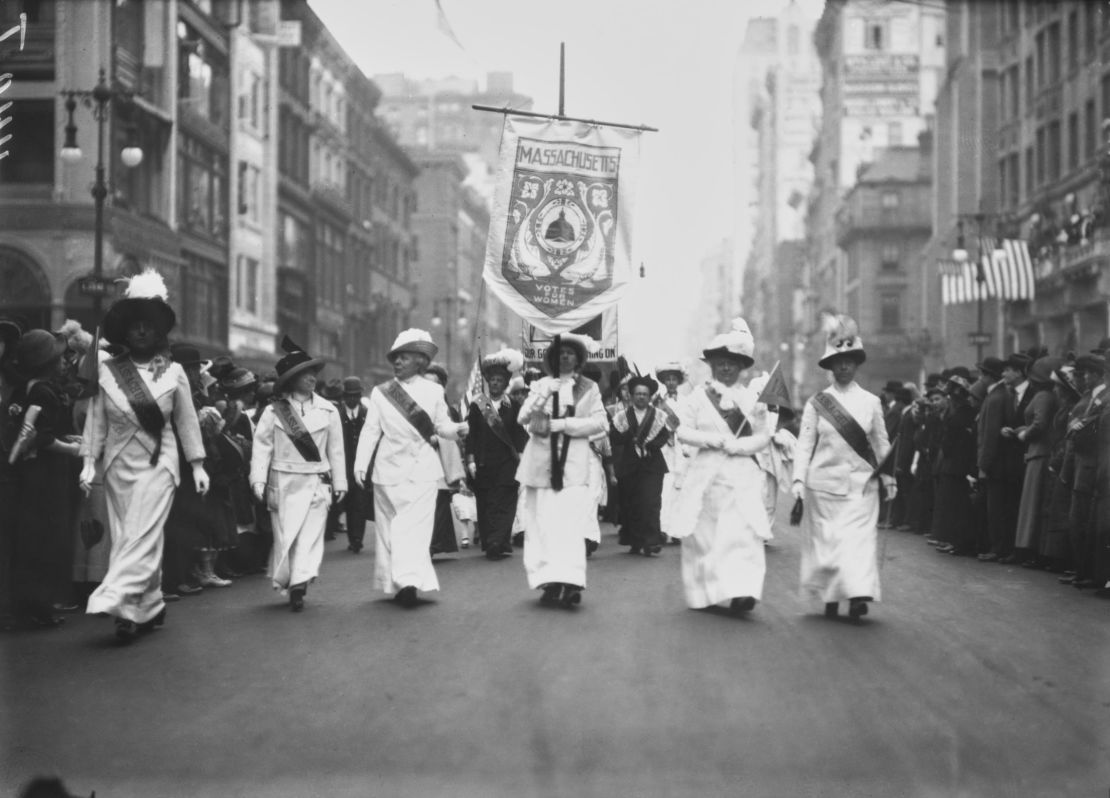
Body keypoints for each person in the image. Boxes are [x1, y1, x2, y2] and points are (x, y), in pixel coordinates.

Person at [81, 270, 208, 642]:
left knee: (142, 532)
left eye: (147, 326)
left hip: (160, 463)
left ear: (158, 332)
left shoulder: (173, 372)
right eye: (134, 326)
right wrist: (89, 461)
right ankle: (149, 604)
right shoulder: (107, 372)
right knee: (129, 536)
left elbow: (186, 421)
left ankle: (119, 600)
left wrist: (197, 465)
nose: (141, 332)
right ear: (125, 331)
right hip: (119, 463)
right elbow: (96, 421)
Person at [353, 329, 468, 607]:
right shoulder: (381, 394)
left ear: (420, 360)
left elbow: (442, 426)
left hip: (423, 470)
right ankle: (398, 580)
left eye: (403, 357)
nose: (397, 362)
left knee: (414, 529)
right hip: (387, 470)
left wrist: (459, 429)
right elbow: (370, 430)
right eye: (396, 358)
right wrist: (360, 464)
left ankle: (410, 581)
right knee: (389, 530)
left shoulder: (434, 391)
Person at [791, 315, 894, 621]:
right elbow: (804, 445)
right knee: (828, 546)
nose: (844, 366)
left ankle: (858, 594)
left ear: (856, 364)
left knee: (859, 543)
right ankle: (831, 596)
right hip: (822, 486)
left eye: (849, 360)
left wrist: (889, 478)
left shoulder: (871, 402)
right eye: (838, 361)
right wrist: (798, 480)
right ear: (830, 366)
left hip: (862, 487)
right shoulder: (816, 403)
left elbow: (882, 444)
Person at [670, 318, 773, 614]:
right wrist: (713, 440)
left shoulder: (752, 399)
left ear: (741, 366)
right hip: (705, 477)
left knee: (743, 536)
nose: (725, 368)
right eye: (720, 363)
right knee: (705, 539)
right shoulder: (697, 398)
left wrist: (738, 446)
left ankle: (743, 590)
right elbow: (682, 430)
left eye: (731, 363)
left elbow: (763, 436)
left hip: (742, 476)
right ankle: (706, 592)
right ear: (711, 366)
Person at [250, 337, 346, 612]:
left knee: (310, 536)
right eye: (304, 374)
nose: (312, 378)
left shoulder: (329, 411)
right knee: (286, 537)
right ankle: (290, 579)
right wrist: (257, 479)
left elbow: (337, 452)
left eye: (313, 373)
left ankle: (299, 584)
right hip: (284, 481)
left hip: (317, 480)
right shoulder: (273, 412)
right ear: (291, 379)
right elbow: (261, 448)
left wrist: (340, 482)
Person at [516, 334, 607, 608]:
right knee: (542, 524)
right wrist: (544, 394)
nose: (565, 357)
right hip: (541, 465)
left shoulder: (589, 388)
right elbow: (522, 418)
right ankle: (548, 580)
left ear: (578, 359)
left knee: (568, 525)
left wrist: (566, 424)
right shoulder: (541, 385)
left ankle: (570, 581)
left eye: (570, 353)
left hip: (573, 466)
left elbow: (602, 423)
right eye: (561, 352)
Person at [8, 330, 84, 628]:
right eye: (59, 358)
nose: (64, 362)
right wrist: (73, 447)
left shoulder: (23, 389)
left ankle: (31, 605)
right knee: (46, 538)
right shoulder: (44, 392)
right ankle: (38, 606)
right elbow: (42, 438)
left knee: (30, 541)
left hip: (29, 474)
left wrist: (65, 437)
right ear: (47, 362)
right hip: (47, 475)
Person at [465, 348, 527, 561]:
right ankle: (491, 539)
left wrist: (521, 456)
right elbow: (470, 435)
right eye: (492, 380)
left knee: (505, 501)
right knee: (486, 502)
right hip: (483, 462)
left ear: (506, 383)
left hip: (507, 462)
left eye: (499, 380)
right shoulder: (477, 405)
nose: (495, 383)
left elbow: (519, 434)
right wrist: (471, 460)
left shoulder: (514, 406)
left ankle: (498, 540)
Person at [611, 373, 670, 556]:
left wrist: (652, 444)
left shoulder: (659, 415)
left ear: (650, 396)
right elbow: (615, 437)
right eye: (638, 394)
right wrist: (629, 436)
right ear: (631, 395)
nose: (641, 397)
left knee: (652, 502)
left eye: (645, 394)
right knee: (632, 503)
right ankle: (635, 540)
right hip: (630, 464)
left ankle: (652, 541)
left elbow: (664, 435)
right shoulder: (622, 416)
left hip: (652, 464)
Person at [1010, 356, 1061, 567]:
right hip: (1039, 452)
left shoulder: (1042, 396)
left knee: (1033, 505)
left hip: (1038, 453)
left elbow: (1039, 425)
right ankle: (1034, 551)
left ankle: (1031, 550)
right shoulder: (1048, 395)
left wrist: (1024, 435)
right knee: (1036, 504)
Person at [930, 368, 978, 557]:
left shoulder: (958, 415)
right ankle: (956, 540)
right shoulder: (966, 412)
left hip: (954, 465)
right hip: (958, 465)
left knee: (955, 504)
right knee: (956, 504)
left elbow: (948, 443)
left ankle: (958, 541)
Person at [975, 357, 1012, 563]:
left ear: (989, 376)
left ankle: (998, 548)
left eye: (982, 374)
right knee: (995, 507)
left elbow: (990, 436)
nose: (980, 378)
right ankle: (998, 546)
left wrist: (984, 464)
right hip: (998, 464)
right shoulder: (997, 395)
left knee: (995, 508)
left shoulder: (996, 398)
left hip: (995, 465)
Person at [336, 376, 372, 553]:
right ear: (344, 397)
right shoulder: (337, 414)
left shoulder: (368, 413)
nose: (352, 399)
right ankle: (352, 537)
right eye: (349, 396)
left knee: (360, 503)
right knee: (349, 503)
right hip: (343, 466)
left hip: (363, 466)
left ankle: (358, 539)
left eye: (356, 395)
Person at [653, 362, 687, 542]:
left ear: (679, 381)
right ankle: (663, 528)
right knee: (664, 488)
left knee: (680, 488)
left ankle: (677, 531)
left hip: (681, 449)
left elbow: (688, 424)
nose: (671, 382)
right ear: (664, 381)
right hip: (665, 447)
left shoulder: (686, 401)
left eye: (674, 379)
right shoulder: (658, 402)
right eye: (668, 379)